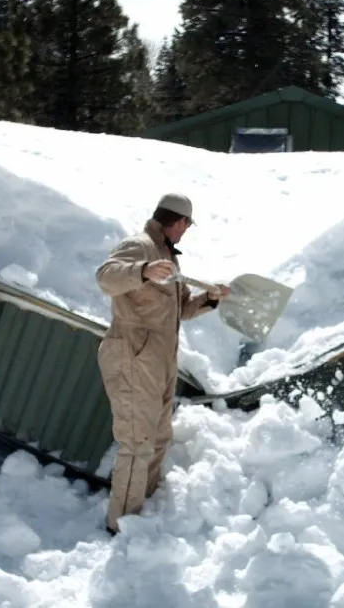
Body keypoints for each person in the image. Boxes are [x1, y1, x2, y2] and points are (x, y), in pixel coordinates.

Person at [94, 192, 230, 535]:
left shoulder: (169, 257)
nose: (186, 232)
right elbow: (106, 278)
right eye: (187, 225)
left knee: (158, 436)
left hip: (159, 359)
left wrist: (210, 299)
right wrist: (142, 271)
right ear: (179, 221)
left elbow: (181, 309)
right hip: (132, 355)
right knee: (137, 441)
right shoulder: (139, 247)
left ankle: (143, 506)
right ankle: (121, 527)